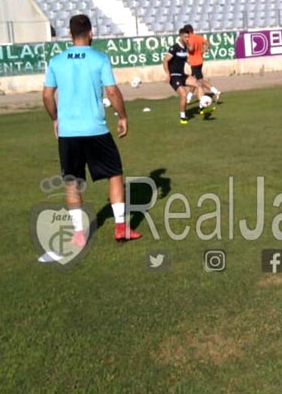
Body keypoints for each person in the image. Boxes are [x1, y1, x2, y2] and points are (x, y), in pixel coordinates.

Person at [43, 14, 141, 243]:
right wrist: (123, 116)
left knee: (72, 181)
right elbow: (112, 91)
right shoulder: (99, 58)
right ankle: (120, 227)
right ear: (91, 33)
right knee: (114, 174)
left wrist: (55, 118)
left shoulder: (56, 61)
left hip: (69, 133)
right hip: (95, 130)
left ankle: (79, 234)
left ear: (69, 34)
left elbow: (47, 95)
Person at [163, 28, 201, 125]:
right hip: (174, 76)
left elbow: (186, 60)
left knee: (198, 84)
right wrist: (167, 73)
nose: (187, 39)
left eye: (188, 37)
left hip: (182, 75)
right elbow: (165, 60)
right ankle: (183, 116)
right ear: (180, 37)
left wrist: (193, 61)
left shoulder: (185, 48)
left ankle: (202, 106)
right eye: (185, 37)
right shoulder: (174, 48)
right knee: (183, 95)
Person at [183, 24, 221, 109]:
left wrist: (186, 47)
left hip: (194, 62)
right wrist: (203, 51)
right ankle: (189, 98)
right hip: (200, 61)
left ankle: (213, 93)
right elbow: (208, 44)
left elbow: (191, 48)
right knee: (195, 80)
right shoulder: (199, 37)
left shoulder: (190, 39)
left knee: (199, 82)